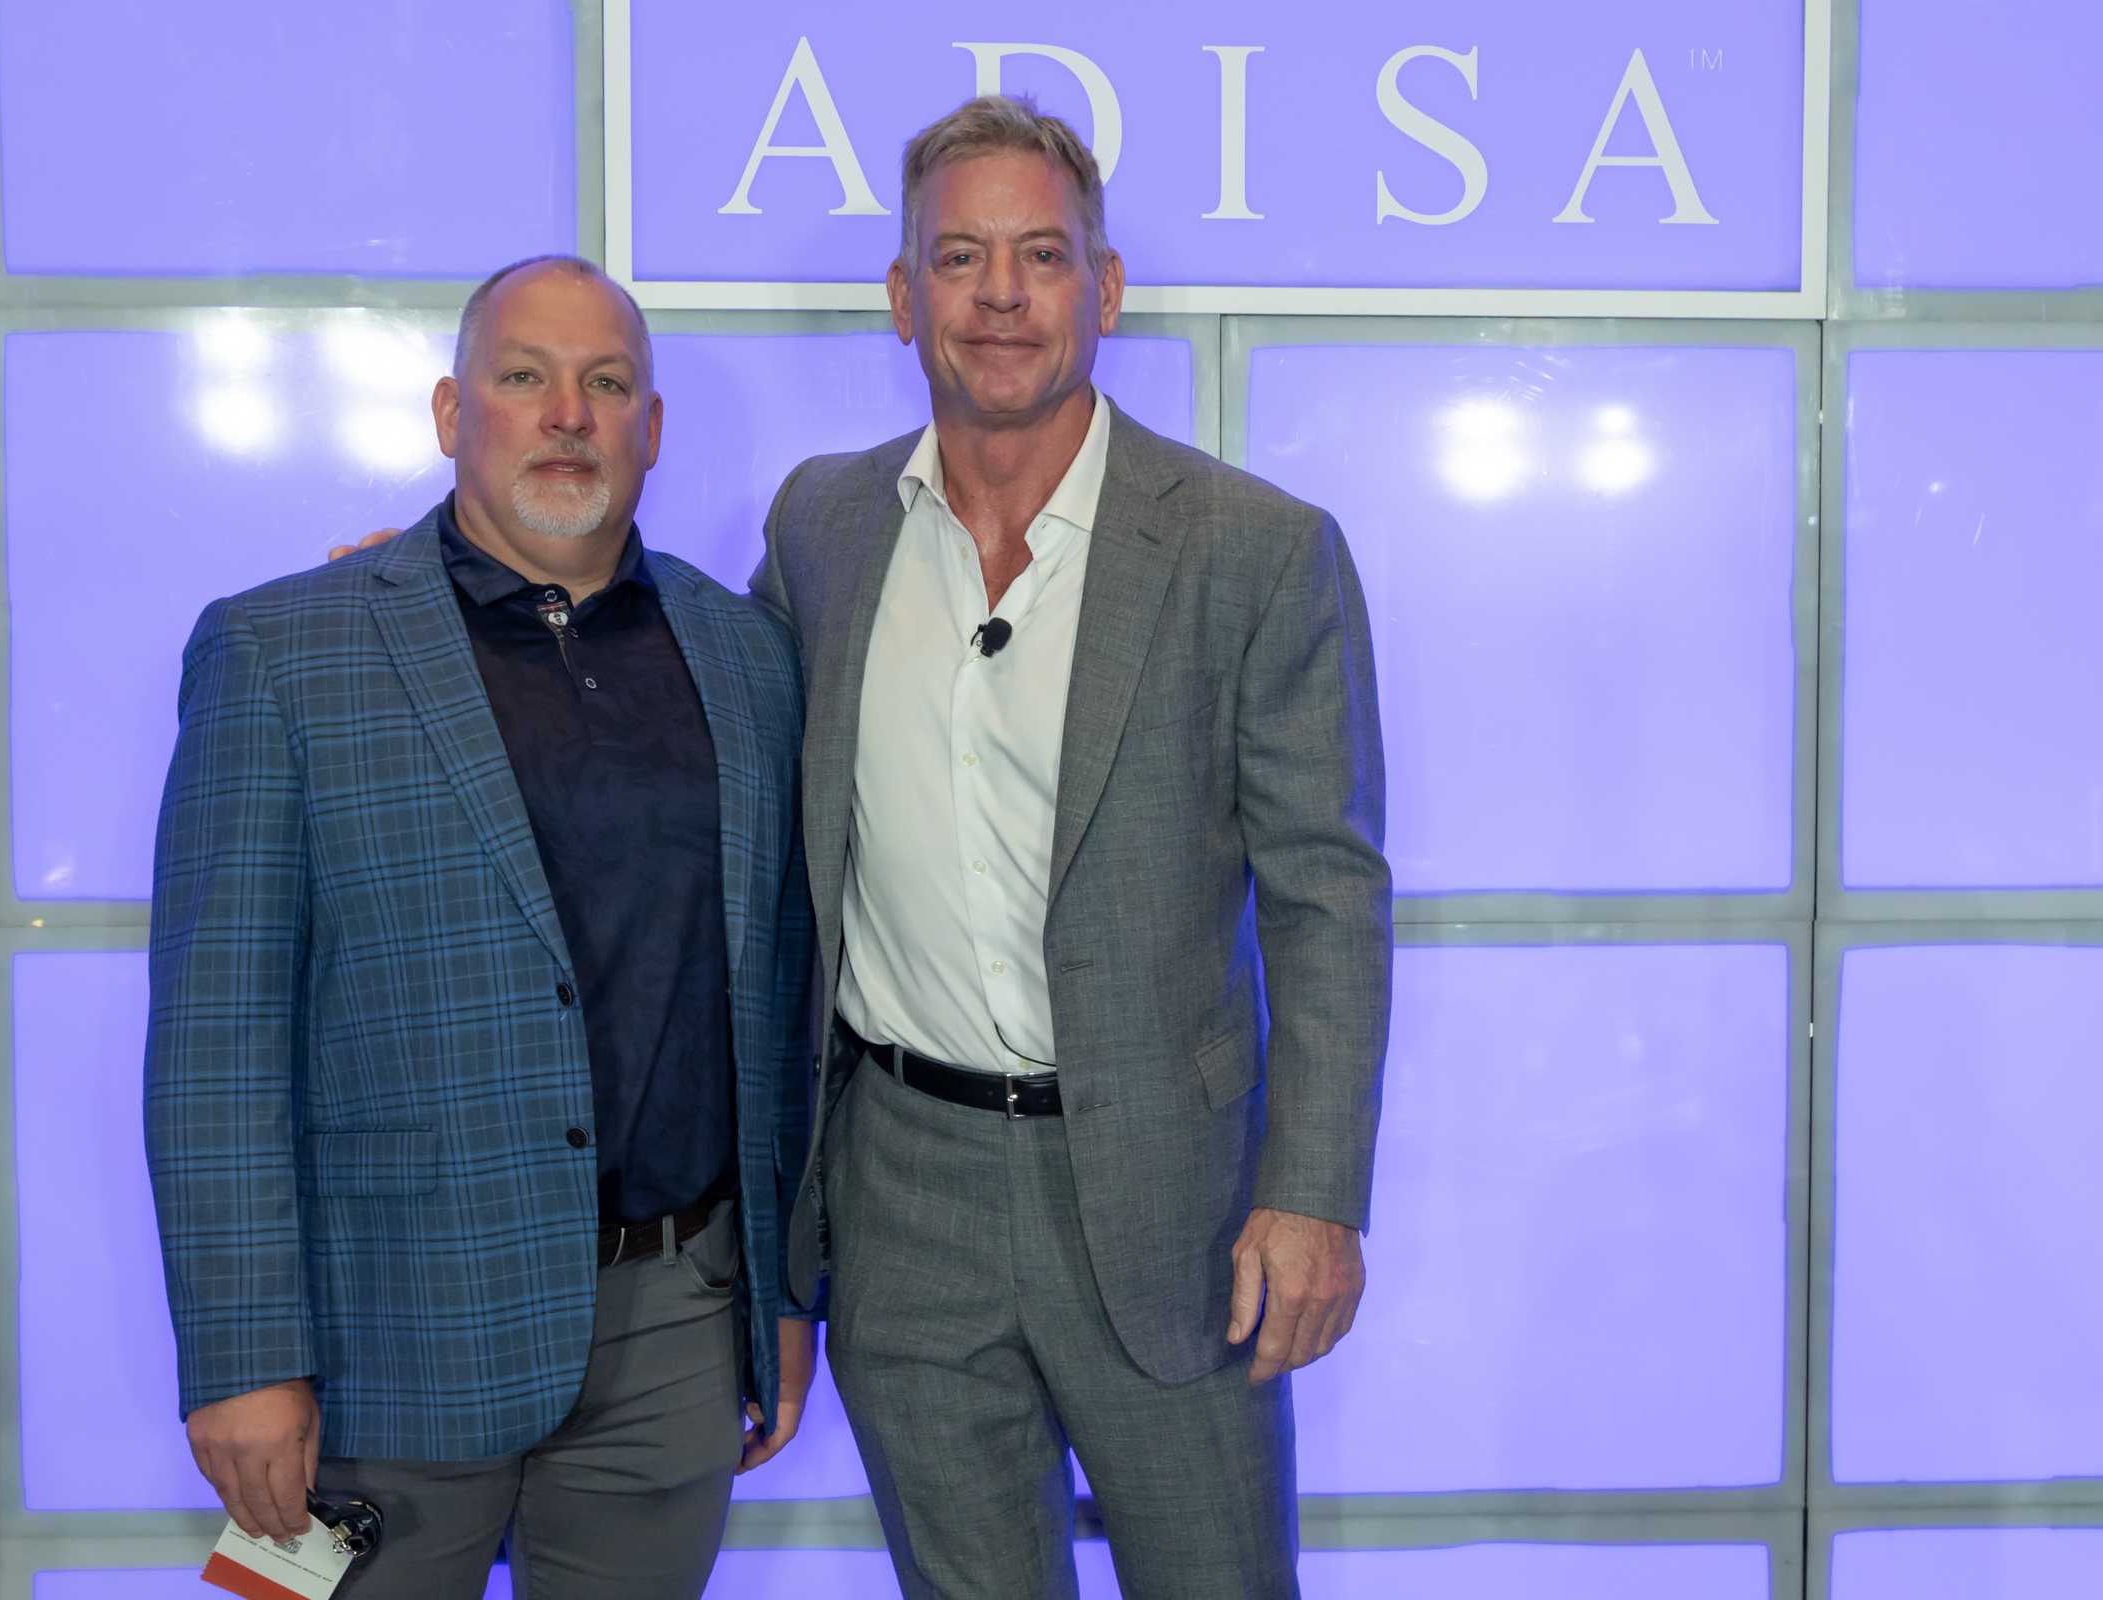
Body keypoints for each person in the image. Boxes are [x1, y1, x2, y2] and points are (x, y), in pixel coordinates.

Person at [750, 97, 1393, 1598]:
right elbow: (703, 723)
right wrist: (454, 593)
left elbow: (1327, 898)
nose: (1000, 294)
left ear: (1103, 289)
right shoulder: (821, 526)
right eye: (958, 257)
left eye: (1041, 255)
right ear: (902, 296)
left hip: (1178, 1208)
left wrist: (1314, 1192)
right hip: (902, 1201)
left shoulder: (1255, 548)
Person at [145, 254, 817, 1600]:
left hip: (673, 1329)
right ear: (455, 414)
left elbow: (778, 1000)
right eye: (524, 377)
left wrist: (780, 1296)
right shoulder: (282, 652)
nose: (567, 414)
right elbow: (217, 1044)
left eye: (606, 383)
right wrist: (242, 1356)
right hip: (383, 1343)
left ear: (651, 429)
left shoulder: (749, 657)